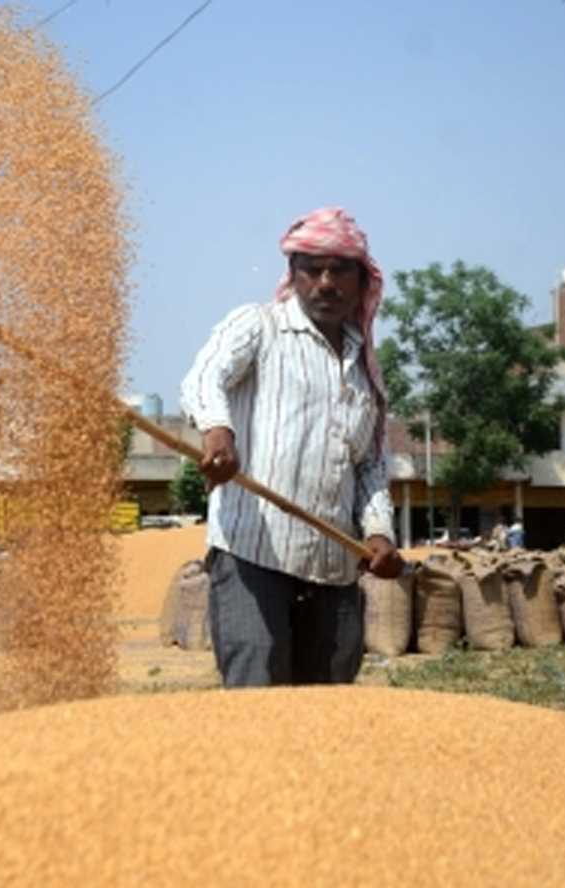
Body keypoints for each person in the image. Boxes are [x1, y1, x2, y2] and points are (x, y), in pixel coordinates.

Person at [180, 207, 404, 688]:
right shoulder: (258, 327)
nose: (326, 282)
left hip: (334, 567)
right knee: (256, 699)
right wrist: (219, 432)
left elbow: (368, 467)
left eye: (339, 270)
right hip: (252, 557)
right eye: (311, 269)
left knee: (325, 712)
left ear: (362, 280)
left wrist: (380, 533)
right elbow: (204, 377)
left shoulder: (365, 369)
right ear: (293, 276)